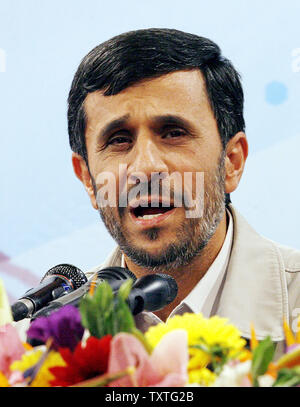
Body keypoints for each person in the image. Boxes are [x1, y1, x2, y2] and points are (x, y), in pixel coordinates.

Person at [68, 28, 299, 357]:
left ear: (231, 162)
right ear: (88, 180)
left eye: (173, 133)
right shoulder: (33, 342)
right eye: (119, 139)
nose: (146, 168)